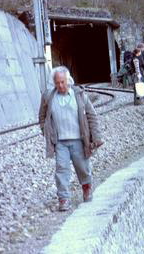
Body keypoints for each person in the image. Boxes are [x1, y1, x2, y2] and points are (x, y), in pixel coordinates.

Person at [38, 66, 103, 212]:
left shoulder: (79, 95)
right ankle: (64, 198)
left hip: (79, 140)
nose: (60, 85)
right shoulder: (49, 96)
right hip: (60, 142)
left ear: (68, 80)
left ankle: (86, 188)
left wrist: (96, 136)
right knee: (61, 169)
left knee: (83, 167)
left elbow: (92, 115)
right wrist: (46, 132)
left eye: (62, 82)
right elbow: (42, 117)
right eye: (57, 83)